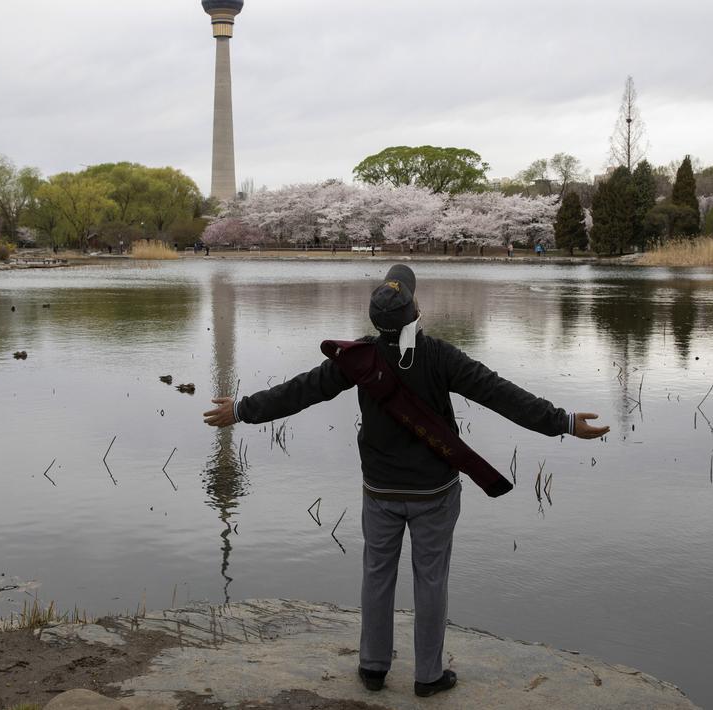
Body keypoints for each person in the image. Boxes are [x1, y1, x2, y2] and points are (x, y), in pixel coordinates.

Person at [202, 265, 608, 698]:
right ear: (417, 312)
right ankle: (428, 676)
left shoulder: (358, 360)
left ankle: (373, 668)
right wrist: (562, 422)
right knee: (431, 580)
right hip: (434, 490)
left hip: (380, 491)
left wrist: (243, 410)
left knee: (376, 575)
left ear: (375, 322)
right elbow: (500, 394)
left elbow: (301, 390)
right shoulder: (440, 356)